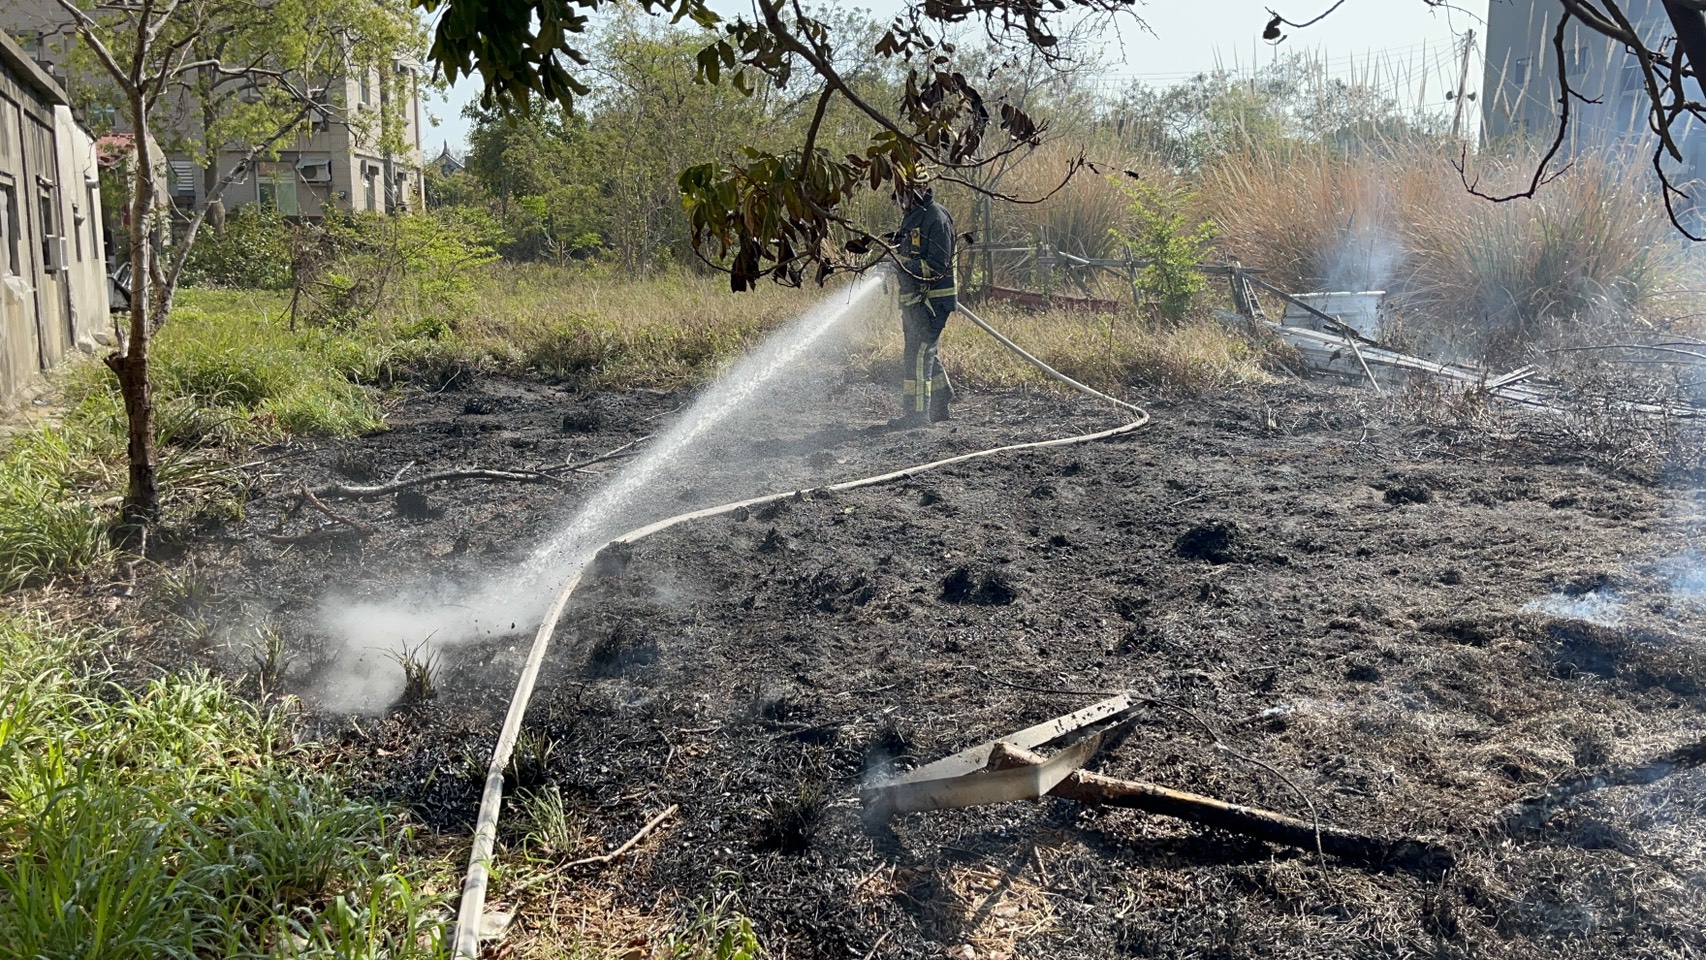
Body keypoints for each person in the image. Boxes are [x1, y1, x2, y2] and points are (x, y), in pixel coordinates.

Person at [891, 180, 957, 426]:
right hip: (914, 300)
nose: (900, 199)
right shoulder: (913, 217)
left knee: (917, 356)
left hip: (932, 301)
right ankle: (941, 400)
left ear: (920, 189)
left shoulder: (935, 218)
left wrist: (901, 267)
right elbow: (906, 251)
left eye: (904, 193)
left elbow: (938, 266)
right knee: (923, 351)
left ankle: (917, 416)